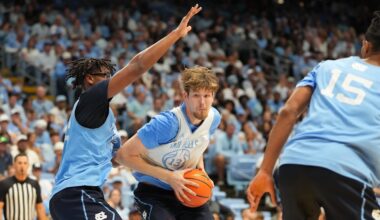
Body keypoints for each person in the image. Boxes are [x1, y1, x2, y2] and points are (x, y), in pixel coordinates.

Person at [49, 4, 202, 220]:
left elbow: (123, 157)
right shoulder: (91, 100)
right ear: (90, 79)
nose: (111, 81)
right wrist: (175, 35)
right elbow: (137, 66)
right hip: (76, 194)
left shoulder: (101, 117)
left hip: (82, 195)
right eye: (105, 76)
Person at [247, 11, 380, 219]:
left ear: (366, 45)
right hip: (347, 172)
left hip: (294, 163)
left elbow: (288, 112)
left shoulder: (327, 67)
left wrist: (265, 170)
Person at [115, 66, 221, 220]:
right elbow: (122, 156)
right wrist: (170, 177)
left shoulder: (214, 118)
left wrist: (201, 170)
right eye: (197, 95)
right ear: (185, 95)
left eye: (207, 95)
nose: (203, 102)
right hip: (154, 192)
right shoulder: (167, 123)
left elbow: (198, 143)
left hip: (188, 189)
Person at [0, 153, 46, 220]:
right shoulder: (4, 184)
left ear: (28, 165)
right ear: (14, 165)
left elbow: (39, 207)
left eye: (25, 163)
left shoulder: (34, 184)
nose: (22, 166)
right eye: (19, 163)